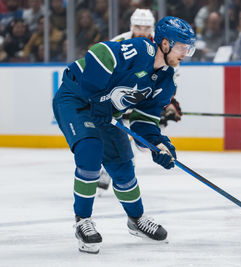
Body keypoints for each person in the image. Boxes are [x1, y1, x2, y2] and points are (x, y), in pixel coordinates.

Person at [52, 16, 196, 254]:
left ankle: (136, 220)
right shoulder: (141, 49)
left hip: (105, 111)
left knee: (123, 164)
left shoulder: (166, 82)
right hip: (75, 98)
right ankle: (82, 221)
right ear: (166, 43)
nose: (186, 54)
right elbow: (100, 53)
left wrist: (158, 144)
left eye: (189, 48)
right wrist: (97, 96)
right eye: (182, 47)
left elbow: (144, 121)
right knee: (90, 150)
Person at [96, 8, 183, 193]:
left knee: (142, 141)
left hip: (143, 99)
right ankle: (113, 172)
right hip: (117, 98)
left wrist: (168, 105)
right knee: (113, 137)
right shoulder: (119, 42)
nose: (142, 31)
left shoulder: (164, 47)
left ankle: (118, 172)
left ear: (152, 28)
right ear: (131, 26)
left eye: (146, 27)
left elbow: (169, 80)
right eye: (138, 26)